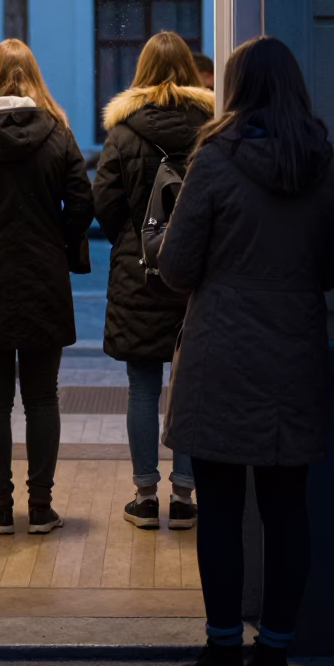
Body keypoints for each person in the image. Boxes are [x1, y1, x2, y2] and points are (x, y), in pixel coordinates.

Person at [159, 36, 334, 666]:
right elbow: (330, 269)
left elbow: (176, 267)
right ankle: (275, 659)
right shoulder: (322, 165)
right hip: (294, 352)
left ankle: (220, 655)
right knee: (287, 508)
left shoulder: (215, 160)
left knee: (221, 509)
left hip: (223, 354)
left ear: (235, 88)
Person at [0, 39, 94, 536]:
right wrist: (60, 238)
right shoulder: (57, 134)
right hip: (42, 277)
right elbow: (82, 203)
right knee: (41, 398)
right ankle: (41, 508)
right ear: (34, 75)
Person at [93, 31, 214, 530]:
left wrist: (134, 230)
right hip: (196, 275)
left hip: (137, 272)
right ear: (189, 70)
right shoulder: (211, 128)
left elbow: (103, 204)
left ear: (139, 71)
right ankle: (185, 497)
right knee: (189, 385)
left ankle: (145, 496)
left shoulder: (122, 133)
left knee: (142, 387)